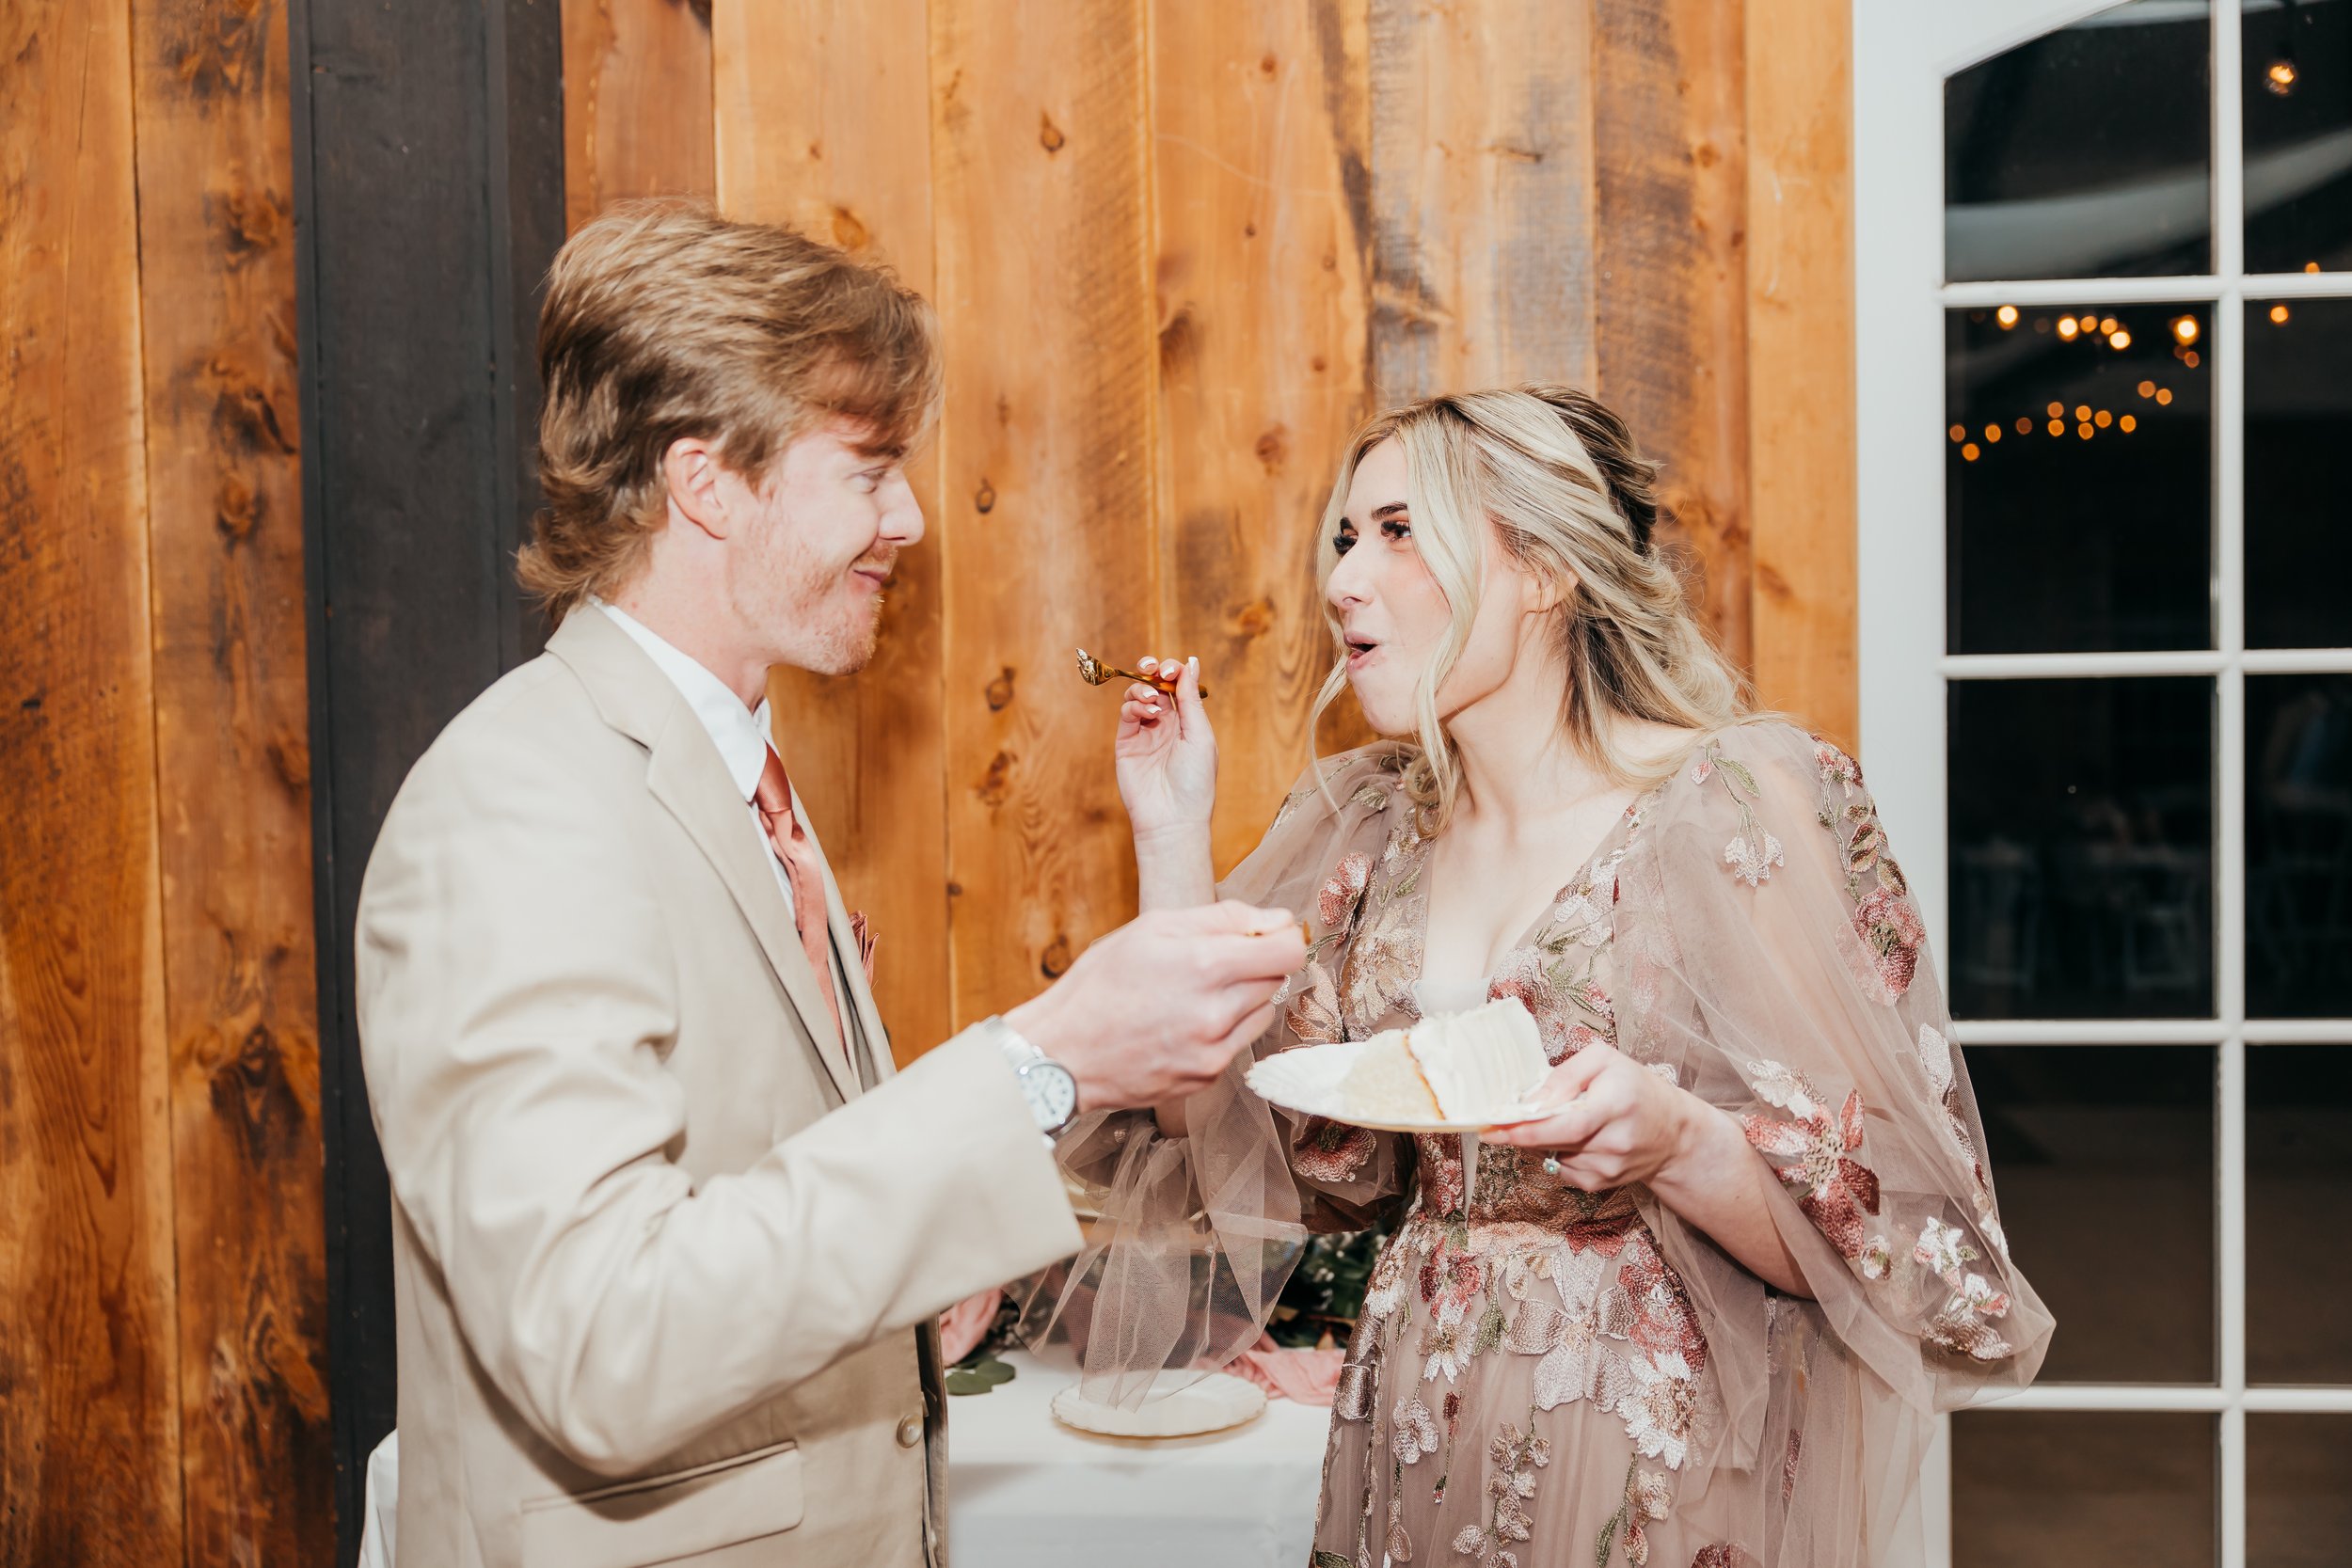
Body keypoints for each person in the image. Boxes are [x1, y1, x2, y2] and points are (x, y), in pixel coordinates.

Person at [353, 202, 1305, 1568]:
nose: (909, 517)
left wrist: (912, 1295)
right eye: (867, 469)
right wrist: (1037, 1065)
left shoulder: (738, 786)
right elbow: (596, 1338)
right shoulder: (518, 802)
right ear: (708, 483)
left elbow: (753, 1217)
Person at [1061, 387, 2052, 1568]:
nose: (1342, 579)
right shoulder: (1372, 825)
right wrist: (1172, 837)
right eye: (1342, 536)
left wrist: (1678, 1142)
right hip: (1413, 1415)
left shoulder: (1731, 803)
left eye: (1397, 530)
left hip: (1644, 1445)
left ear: (1543, 571)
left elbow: (1896, 1234)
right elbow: (1233, 1146)